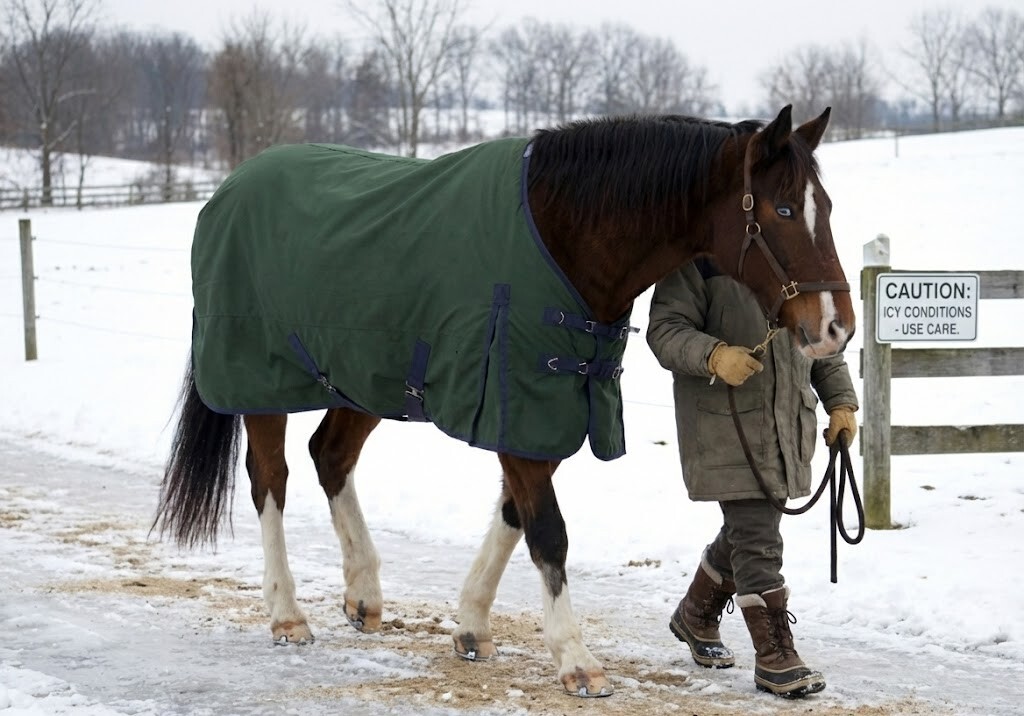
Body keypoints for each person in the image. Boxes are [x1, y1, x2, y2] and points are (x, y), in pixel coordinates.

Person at [646, 257, 858, 698]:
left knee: (748, 530)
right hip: (727, 428)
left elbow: (820, 340)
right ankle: (774, 655)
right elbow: (665, 330)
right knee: (758, 538)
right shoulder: (698, 258)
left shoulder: (793, 254)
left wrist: (841, 402)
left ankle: (696, 613)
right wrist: (714, 355)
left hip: (787, 428)